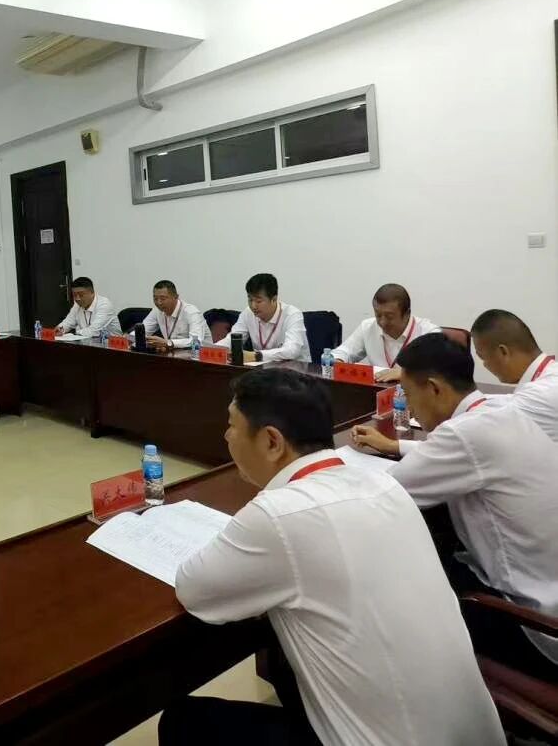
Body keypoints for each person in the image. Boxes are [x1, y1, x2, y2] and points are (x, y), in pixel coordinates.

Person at [162, 368, 503, 746]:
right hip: (475, 733)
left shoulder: (279, 514)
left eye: (232, 425)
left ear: (272, 441)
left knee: (182, 720)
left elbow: (194, 589)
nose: (227, 436)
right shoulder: (383, 482)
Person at [352, 333, 558, 678]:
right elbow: (465, 455)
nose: (408, 406)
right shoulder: (499, 410)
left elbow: (383, 495)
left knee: (396, 570)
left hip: (534, 624)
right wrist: (396, 446)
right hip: (547, 587)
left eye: (408, 394)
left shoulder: (463, 435)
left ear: (434, 388)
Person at [470, 308, 558, 442]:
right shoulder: (550, 376)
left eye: (483, 357)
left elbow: (481, 422)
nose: (485, 365)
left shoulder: (539, 394)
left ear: (503, 352)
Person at [330, 283, 439, 381]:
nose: (382, 322)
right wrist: (338, 360)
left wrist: (406, 373)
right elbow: (341, 352)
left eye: (389, 317)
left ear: (407, 313)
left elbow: (441, 371)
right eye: (378, 315)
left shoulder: (429, 333)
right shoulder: (368, 327)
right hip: (374, 393)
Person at [217, 273, 309, 363]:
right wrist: (213, 349)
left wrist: (257, 356)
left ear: (274, 299)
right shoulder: (248, 313)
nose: (253, 306)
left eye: (258, 301)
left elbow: (292, 350)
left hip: (296, 369)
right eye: (250, 300)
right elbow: (231, 339)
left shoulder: (292, 315)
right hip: (263, 369)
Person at [140, 280, 208, 353]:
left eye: (163, 299)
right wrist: (131, 338)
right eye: (155, 298)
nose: (159, 303)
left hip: (202, 355)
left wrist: (168, 343)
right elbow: (141, 331)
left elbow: (196, 342)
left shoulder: (191, 312)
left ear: (176, 297)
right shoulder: (157, 310)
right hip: (175, 354)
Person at [55, 277, 120, 338]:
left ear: (92, 293)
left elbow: (94, 331)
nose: (77, 298)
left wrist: (74, 334)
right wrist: (60, 329)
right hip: (88, 341)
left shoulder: (104, 305)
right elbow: (68, 322)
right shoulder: (77, 305)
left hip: (110, 343)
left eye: (81, 295)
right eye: (74, 295)